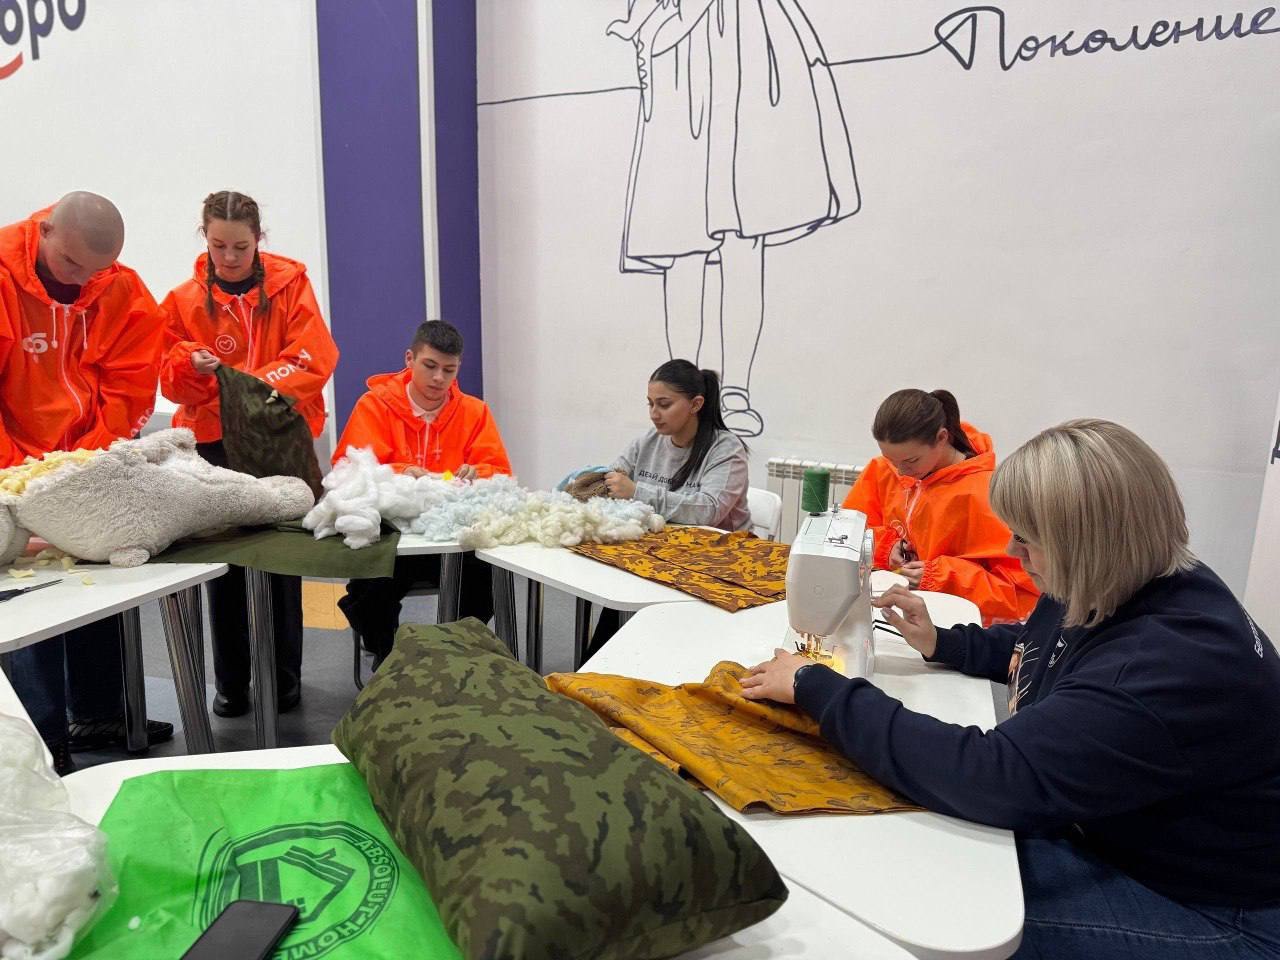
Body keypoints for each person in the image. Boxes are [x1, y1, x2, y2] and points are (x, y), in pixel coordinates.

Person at [742, 419, 1280, 959]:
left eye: (1024, 539)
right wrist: (945, 642)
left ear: (1084, 545)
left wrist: (819, 687)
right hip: (1129, 839)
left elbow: (993, 775)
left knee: (930, 906)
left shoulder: (1163, 667)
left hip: (1217, 912)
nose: (1009, 549)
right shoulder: (1129, 579)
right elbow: (1043, 644)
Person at [0, 192, 171, 772]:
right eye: (71, 263)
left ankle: (100, 712)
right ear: (45, 230)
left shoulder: (119, 289)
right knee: (31, 596)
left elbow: (130, 380)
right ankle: (44, 747)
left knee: (102, 578)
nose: (81, 279)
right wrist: (25, 475)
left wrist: (87, 462)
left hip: (81, 463)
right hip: (13, 469)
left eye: (95, 270)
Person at [158, 190, 339, 718]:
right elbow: (168, 378)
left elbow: (313, 356)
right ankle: (232, 684)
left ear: (259, 239)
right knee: (226, 564)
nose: (230, 256)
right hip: (213, 442)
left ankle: (284, 680)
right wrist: (190, 365)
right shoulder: (182, 301)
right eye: (219, 245)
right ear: (205, 237)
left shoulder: (291, 286)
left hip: (277, 437)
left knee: (283, 559)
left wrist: (245, 388)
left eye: (241, 246)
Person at [333, 320, 511, 666]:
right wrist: (401, 471)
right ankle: (388, 660)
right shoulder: (375, 406)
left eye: (449, 370)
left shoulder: (475, 412)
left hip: (452, 542)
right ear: (409, 359)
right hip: (393, 541)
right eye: (430, 366)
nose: (439, 378)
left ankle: (454, 654)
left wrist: (478, 473)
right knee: (370, 591)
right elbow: (348, 467)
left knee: (487, 579)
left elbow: (499, 471)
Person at [588, 359, 750, 655]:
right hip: (661, 554)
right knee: (620, 592)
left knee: (636, 598)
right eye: (650, 404)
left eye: (664, 404)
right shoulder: (647, 442)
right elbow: (614, 476)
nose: (654, 414)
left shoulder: (726, 449)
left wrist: (637, 491)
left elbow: (709, 510)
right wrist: (598, 481)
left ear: (696, 404)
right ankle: (597, 666)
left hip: (716, 562)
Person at [843, 388, 1038, 624]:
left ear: (942, 437)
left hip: (956, 627)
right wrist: (885, 548)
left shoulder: (987, 495)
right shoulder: (882, 469)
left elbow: (1022, 594)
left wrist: (941, 577)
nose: (901, 471)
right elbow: (846, 532)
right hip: (894, 615)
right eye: (891, 460)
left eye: (911, 460)